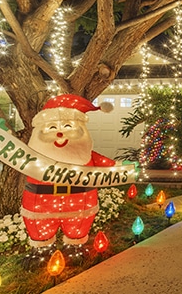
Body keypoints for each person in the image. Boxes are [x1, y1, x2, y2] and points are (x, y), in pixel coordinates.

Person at [20, 94, 116, 253]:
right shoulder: (29, 157)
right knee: (40, 229)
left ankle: (75, 248)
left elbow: (109, 166)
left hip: (80, 204)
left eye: (67, 127)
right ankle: (41, 250)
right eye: (52, 127)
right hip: (41, 205)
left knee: (77, 229)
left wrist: (122, 167)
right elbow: (9, 154)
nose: (59, 133)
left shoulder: (87, 156)